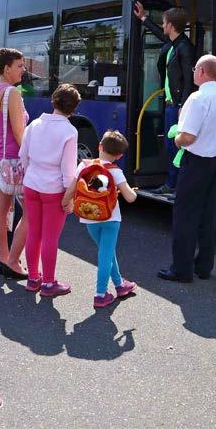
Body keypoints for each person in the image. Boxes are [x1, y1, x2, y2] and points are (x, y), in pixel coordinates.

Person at [158, 55, 216, 283]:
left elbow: (188, 136)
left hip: (196, 162)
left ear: (201, 71)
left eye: (194, 68)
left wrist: (176, 139)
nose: (192, 72)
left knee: (185, 215)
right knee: (208, 215)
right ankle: (204, 267)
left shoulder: (197, 98)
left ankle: (181, 269)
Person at [19, 83, 80, 297]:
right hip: (53, 189)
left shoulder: (34, 124)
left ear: (53, 100)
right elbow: (68, 171)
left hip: (31, 184)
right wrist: (69, 197)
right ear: (73, 108)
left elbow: (23, 156)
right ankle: (48, 282)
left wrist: (30, 175)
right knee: (50, 237)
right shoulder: (69, 131)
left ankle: (33, 278)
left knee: (33, 232)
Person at [133, 1, 195, 196]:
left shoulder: (184, 48)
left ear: (170, 26)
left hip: (176, 106)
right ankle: (173, 183)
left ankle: (173, 184)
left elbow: (188, 81)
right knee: (170, 146)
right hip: (170, 105)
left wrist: (183, 106)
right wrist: (143, 18)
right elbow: (160, 35)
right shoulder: (174, 44)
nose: (162, 26)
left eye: (164, 22)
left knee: (175, 147)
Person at [73, 131, 138, 308]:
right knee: (105, 254)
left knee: (106, 251)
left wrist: (66, 203)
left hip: (89, 217)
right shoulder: (115, 171)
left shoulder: (83, 165)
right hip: (110, 218)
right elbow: (130, 197)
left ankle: (119, 285)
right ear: (119, 156)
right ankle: (100, 294)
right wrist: (133, 190)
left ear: (99, 146)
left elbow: (73, 187)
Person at [0, 48, 30, 280]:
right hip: (15, 161)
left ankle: (4, 258)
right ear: (6, 68)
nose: (24, 69)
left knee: (0, 210)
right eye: (20, 65)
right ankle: (13, 260)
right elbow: (19, 132)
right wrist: (31, 158)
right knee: (33, 211)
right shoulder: (12, 92)